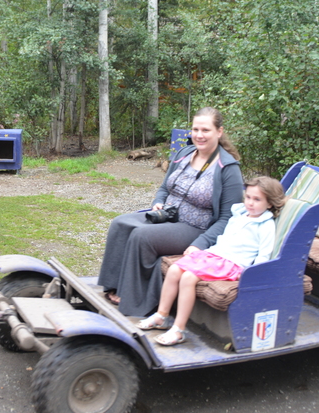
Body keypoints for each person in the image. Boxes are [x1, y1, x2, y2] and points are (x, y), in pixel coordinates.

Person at [97, 106, 244, 317]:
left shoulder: (228, 168)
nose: (199, 135)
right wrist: (158, 202)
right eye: (195, 129)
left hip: (195, 228)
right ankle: (114, 286)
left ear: (219, 132)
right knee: (120, 223)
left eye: (205, 130)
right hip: (168, 216)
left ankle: (136, 301)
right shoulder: (184, 153)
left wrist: (200, 244)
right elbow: (165, 187)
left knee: (142, 237)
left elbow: (227, 218)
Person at [137, 177, 285, 346]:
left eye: (257, 199)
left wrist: (250, 274)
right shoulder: (239, 214)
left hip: (231, 263)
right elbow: (225, 238)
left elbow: (263, 255)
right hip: (215, 255)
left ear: (270, 204)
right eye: (248, 197)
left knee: (188, 278)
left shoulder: (265, 225)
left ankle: (179, 329)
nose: (250, 203)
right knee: (174, 270)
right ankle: (161, 316)